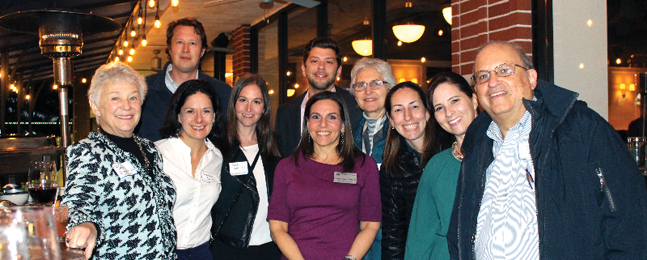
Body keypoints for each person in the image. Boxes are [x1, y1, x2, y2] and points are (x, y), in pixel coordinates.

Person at [448, 41, 647, 259]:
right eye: (483, 76)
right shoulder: (476, 148)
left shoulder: (581, 129)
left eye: (505, 70)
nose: (493, 82)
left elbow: (630, 223)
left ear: (531, 78)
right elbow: (460, 233)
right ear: (476, 91)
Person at [63, 62, 176, 260]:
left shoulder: (150, 149)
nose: (127, 106)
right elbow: (78, 203)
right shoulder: (89, 152)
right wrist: (86, 226)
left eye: (133, 97)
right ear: (95, 106)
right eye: (115, 98)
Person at [268, 91, 381, 260]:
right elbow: (277, 229)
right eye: (315, 117)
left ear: (343, 125)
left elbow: (370, 225)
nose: (323, 124)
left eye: (332, 117)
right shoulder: (286, 167)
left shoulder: (364, 166)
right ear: (307, 123)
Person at [405, 72, 478, 260]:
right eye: (439, 107)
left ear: (474, 100)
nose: (448, 113)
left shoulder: (502, 155)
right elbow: (420, 237)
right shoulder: (436, 166)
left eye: (454, 101)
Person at [211, 74, 282, 260]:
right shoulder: (216, 146)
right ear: (234, 103)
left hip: (270, 246)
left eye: (256, 101)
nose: (248, 108)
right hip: (229, 248)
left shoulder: (275, 146)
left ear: (264, 107)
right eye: (243, 100)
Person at [155, 79, 226, 260]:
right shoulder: (157, 153)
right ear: (178, 116)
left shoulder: (217, 158)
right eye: (190, 111)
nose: (199, 119)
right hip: (161, 251)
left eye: (206, 111)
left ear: (214, 116)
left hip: (201, 252)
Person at [137, 17, 232, 142]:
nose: (185, 49)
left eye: (192, 43)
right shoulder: (143, 91)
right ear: (169, 48)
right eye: (179, 42)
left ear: (202, 51)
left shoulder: (223, 93)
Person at [275, 37, 362, 157]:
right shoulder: (285, 113)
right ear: (304, 69)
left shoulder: (356, 106)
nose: (321, 67)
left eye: (329, 62)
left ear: (338, 71)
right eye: (315, 61)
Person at [380, 82, 438, 259]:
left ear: (427, 112)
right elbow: (393, 233)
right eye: (398, 110)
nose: (408, 116)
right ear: (390, 120)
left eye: (414, 107)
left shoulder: (451, 150)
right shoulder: (391, 168)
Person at [349, 57, 397, 260]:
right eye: (361, 85)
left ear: (389, 88)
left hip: (391, 237)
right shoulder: (347, 136)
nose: (368, 91)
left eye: (376, 83)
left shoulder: (402, 130)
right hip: (354, 236)